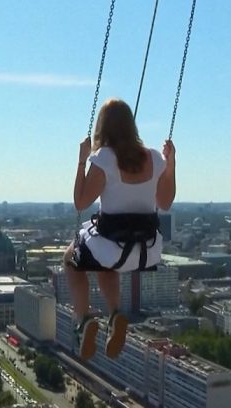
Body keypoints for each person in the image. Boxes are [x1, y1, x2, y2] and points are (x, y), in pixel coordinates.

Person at [65, 98, 176, 360]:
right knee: (106, 264)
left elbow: (81, 202)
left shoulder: (105, 158)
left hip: (112, 246)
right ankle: (115, 314)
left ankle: (84, 319)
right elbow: (165, 202)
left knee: (71, 259)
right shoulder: (153, 158)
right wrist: (171, 165)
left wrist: (82, 161)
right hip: (146, 251)